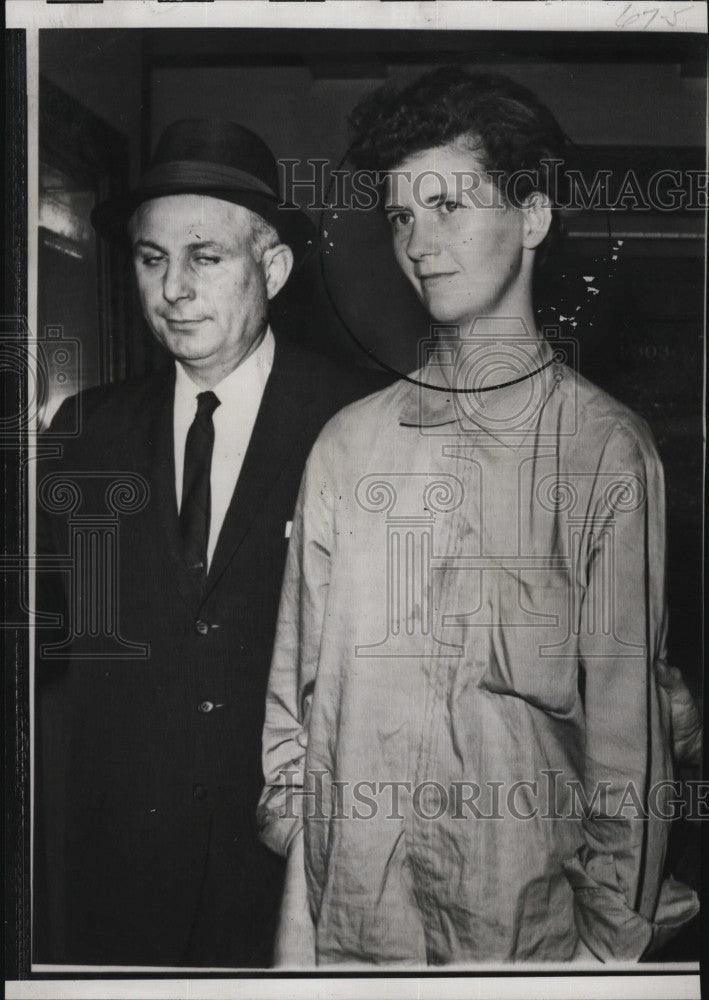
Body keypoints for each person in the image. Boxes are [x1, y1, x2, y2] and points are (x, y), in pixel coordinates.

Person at [258, 68, 699, 965]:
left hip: (524, 944)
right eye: (400, 216)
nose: (419, 242)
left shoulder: (604, 453)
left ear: (532, 218)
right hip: (355, 935)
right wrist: (300, 934)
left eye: (448, 205)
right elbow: (293, 706)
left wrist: (604, 958)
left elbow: (629, 751)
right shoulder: (348, 447)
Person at [33, 118, 388, 967]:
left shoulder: (357, 423)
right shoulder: (85, 429)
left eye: (205, 258)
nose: (174, 289)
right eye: (152, 260)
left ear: (272, 267)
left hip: (284, 875)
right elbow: (50, 639)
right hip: (117, 873)